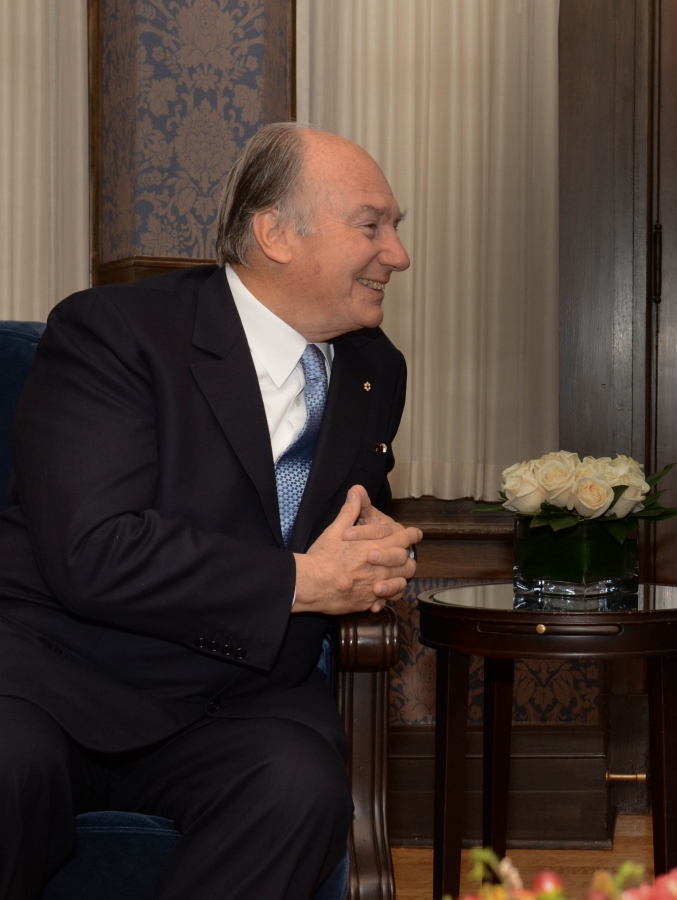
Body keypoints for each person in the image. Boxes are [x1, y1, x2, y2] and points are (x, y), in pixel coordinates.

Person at [0, 123, 423, 900]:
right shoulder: (116, 333)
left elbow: (337, 519)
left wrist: (378, 551)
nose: (397, 253)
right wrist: (299, 582)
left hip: (238, 699)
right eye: (372, 225)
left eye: (395, 228)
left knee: (298, 786)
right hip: (58, 677)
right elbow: (95, 549)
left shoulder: (374, 370)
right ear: (275, 234)